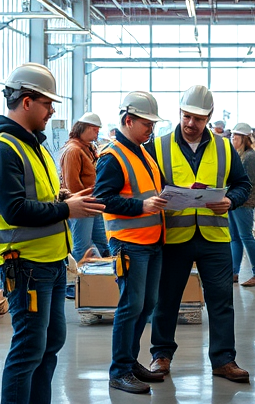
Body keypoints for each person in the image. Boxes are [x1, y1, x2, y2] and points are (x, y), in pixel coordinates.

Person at [0, 63, 105, 404]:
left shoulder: (34, 146)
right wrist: (68, 210)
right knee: (29, 349)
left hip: (49, 262)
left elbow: (43, 196)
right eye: (48, 104)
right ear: (26, 102)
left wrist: (68, 198)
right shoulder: (3, 150)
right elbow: (15, 210)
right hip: (25, 265)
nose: (51, 111)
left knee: (50, 344)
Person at [147, 85, 252, 383]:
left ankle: (223, 360)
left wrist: (231, 200)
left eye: (198, 118)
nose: (190, 123)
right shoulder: (158, 146)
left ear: (209, 118)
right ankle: (161, 356)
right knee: (166, 300)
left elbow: (243, 184)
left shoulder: (223, 147)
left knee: (221, 301)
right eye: (186, 116)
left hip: (214, 238)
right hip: (173, 238)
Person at [92, 92, 169, 394]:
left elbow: (155, 189)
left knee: (146, 304)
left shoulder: (143, 152)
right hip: (129, 243)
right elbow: (102, 200)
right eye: (147, 124)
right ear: (128, 120)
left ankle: (130, 360)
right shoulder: (112, 157)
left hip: (152, 241)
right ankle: (119, 370)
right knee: (131, 305)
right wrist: (142, 207)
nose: (151, 129)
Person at [61, 112, 110, 262]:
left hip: (92, 203)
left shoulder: (86, 148)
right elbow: (72, 184)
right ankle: (78, 283)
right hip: (82, 205)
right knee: (82, 247)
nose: (97, 134)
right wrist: (84, 199)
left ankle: (101, 280)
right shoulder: (74, 150)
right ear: (85, 128)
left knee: (102, 245)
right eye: (95, 130)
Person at [229, 122, 255, 287]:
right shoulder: (238, 154)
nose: (232, 139)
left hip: (243, 203)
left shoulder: (250, 156)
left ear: (243, 138)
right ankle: (234, 272)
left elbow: (248, 183)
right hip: (233, 202)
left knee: (246, 237)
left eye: (235, 136)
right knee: (235, 238)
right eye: (232, 136)